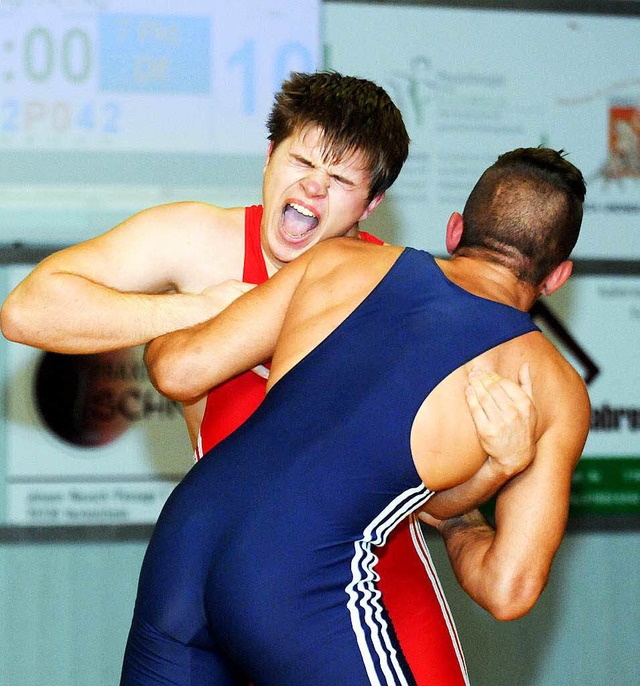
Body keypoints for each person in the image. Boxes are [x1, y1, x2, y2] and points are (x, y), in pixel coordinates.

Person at [1, 72, 535, 684]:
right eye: (301, 160)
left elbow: (434, 497)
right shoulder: (201, 242)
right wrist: (203, 312)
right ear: (269, 157)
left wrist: (496, 466)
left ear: (371, 205)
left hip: (372, 579)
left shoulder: (398, 294)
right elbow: (27, 309)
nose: (312, 185)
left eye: (339, 180)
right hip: (227, 571)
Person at [121, 146, 590, 684]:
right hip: (296, 577)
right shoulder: (549, 385)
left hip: (186, 537)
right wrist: (476, 502)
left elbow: (179, 370)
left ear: (455, 231)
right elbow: (507, 590)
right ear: (557, 277)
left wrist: (197, 312)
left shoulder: (336, 261)